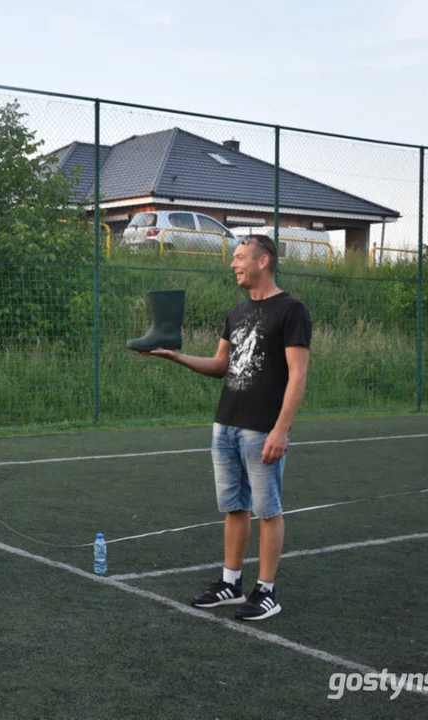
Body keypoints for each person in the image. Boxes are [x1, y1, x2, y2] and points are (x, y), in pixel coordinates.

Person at [144, 234, 311, 621]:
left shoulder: (291, 310)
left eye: (239, 258)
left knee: (268, 510)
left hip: (262, 427)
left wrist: (281, 429)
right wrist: (175, 356)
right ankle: (230, 583)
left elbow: (298, 374)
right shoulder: (236, 313)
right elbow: (221, 366)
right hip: (227, 424)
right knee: (234, 507)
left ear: (264, 260)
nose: (233, 264)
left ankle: (266, 591)